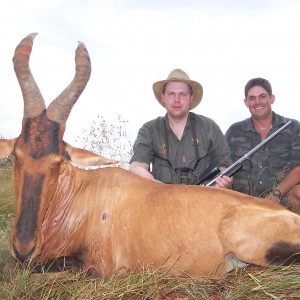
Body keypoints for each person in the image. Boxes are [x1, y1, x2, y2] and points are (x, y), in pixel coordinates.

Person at [129, 69, 232, 188]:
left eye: (182, 94)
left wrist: (223, 182)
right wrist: (144, 176)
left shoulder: (210, 127)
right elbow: (137, 165)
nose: (177, 100)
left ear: (191, 98)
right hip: (163, 200)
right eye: (171, 94)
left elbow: (225, 166)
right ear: (163, 97)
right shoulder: (149, 130)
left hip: (204, 200)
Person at [225, 77, 300, 213]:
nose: (257, 102)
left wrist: (276, 194)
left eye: (262, 96)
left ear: (272, 98)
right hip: (244, 204)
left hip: (281, 199)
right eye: (252, 98)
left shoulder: (293, 127)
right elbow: (224, 167)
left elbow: (298, 167)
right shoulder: (234, 131)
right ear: (246, 102)